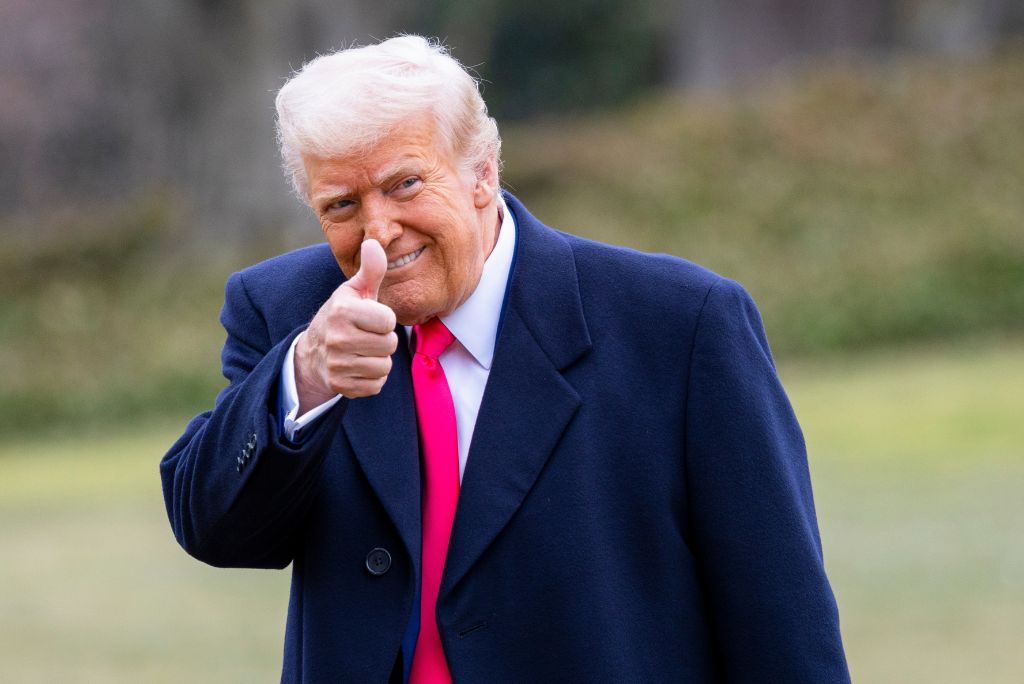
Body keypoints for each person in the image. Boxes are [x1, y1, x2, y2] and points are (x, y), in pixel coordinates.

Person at [160, 35, 851, 683]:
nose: (378, 231)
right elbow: (215, 529)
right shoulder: (284, 309)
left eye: (404, 185)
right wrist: (306, 375)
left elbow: (780, 616)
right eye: (341, 204)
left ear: (481, 172)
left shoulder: (681, 323)